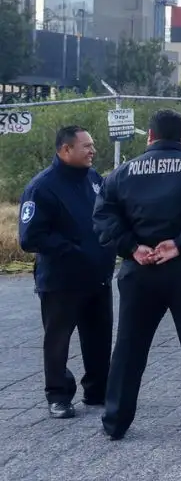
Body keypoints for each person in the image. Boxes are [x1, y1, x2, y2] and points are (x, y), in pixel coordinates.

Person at [92, 109, 181, 440]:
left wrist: (132, 247)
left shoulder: (122, 172)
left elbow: (103, 215)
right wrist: (180, 244)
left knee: (129, 346)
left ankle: (115, 421)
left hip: (139, 270)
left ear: (150, 137)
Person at [18, 126, 115, 420]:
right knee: (58, 339)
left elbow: (105, 217)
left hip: (97, 277)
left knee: (99, 337)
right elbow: (29, 237)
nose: (92, 150)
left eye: (92, 144)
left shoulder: (94, 180)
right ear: (65, 150)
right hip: (62, 281)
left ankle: (98, 390)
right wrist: (72, 250)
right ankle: (58, 395)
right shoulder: (42, 187)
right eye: (85, 146)